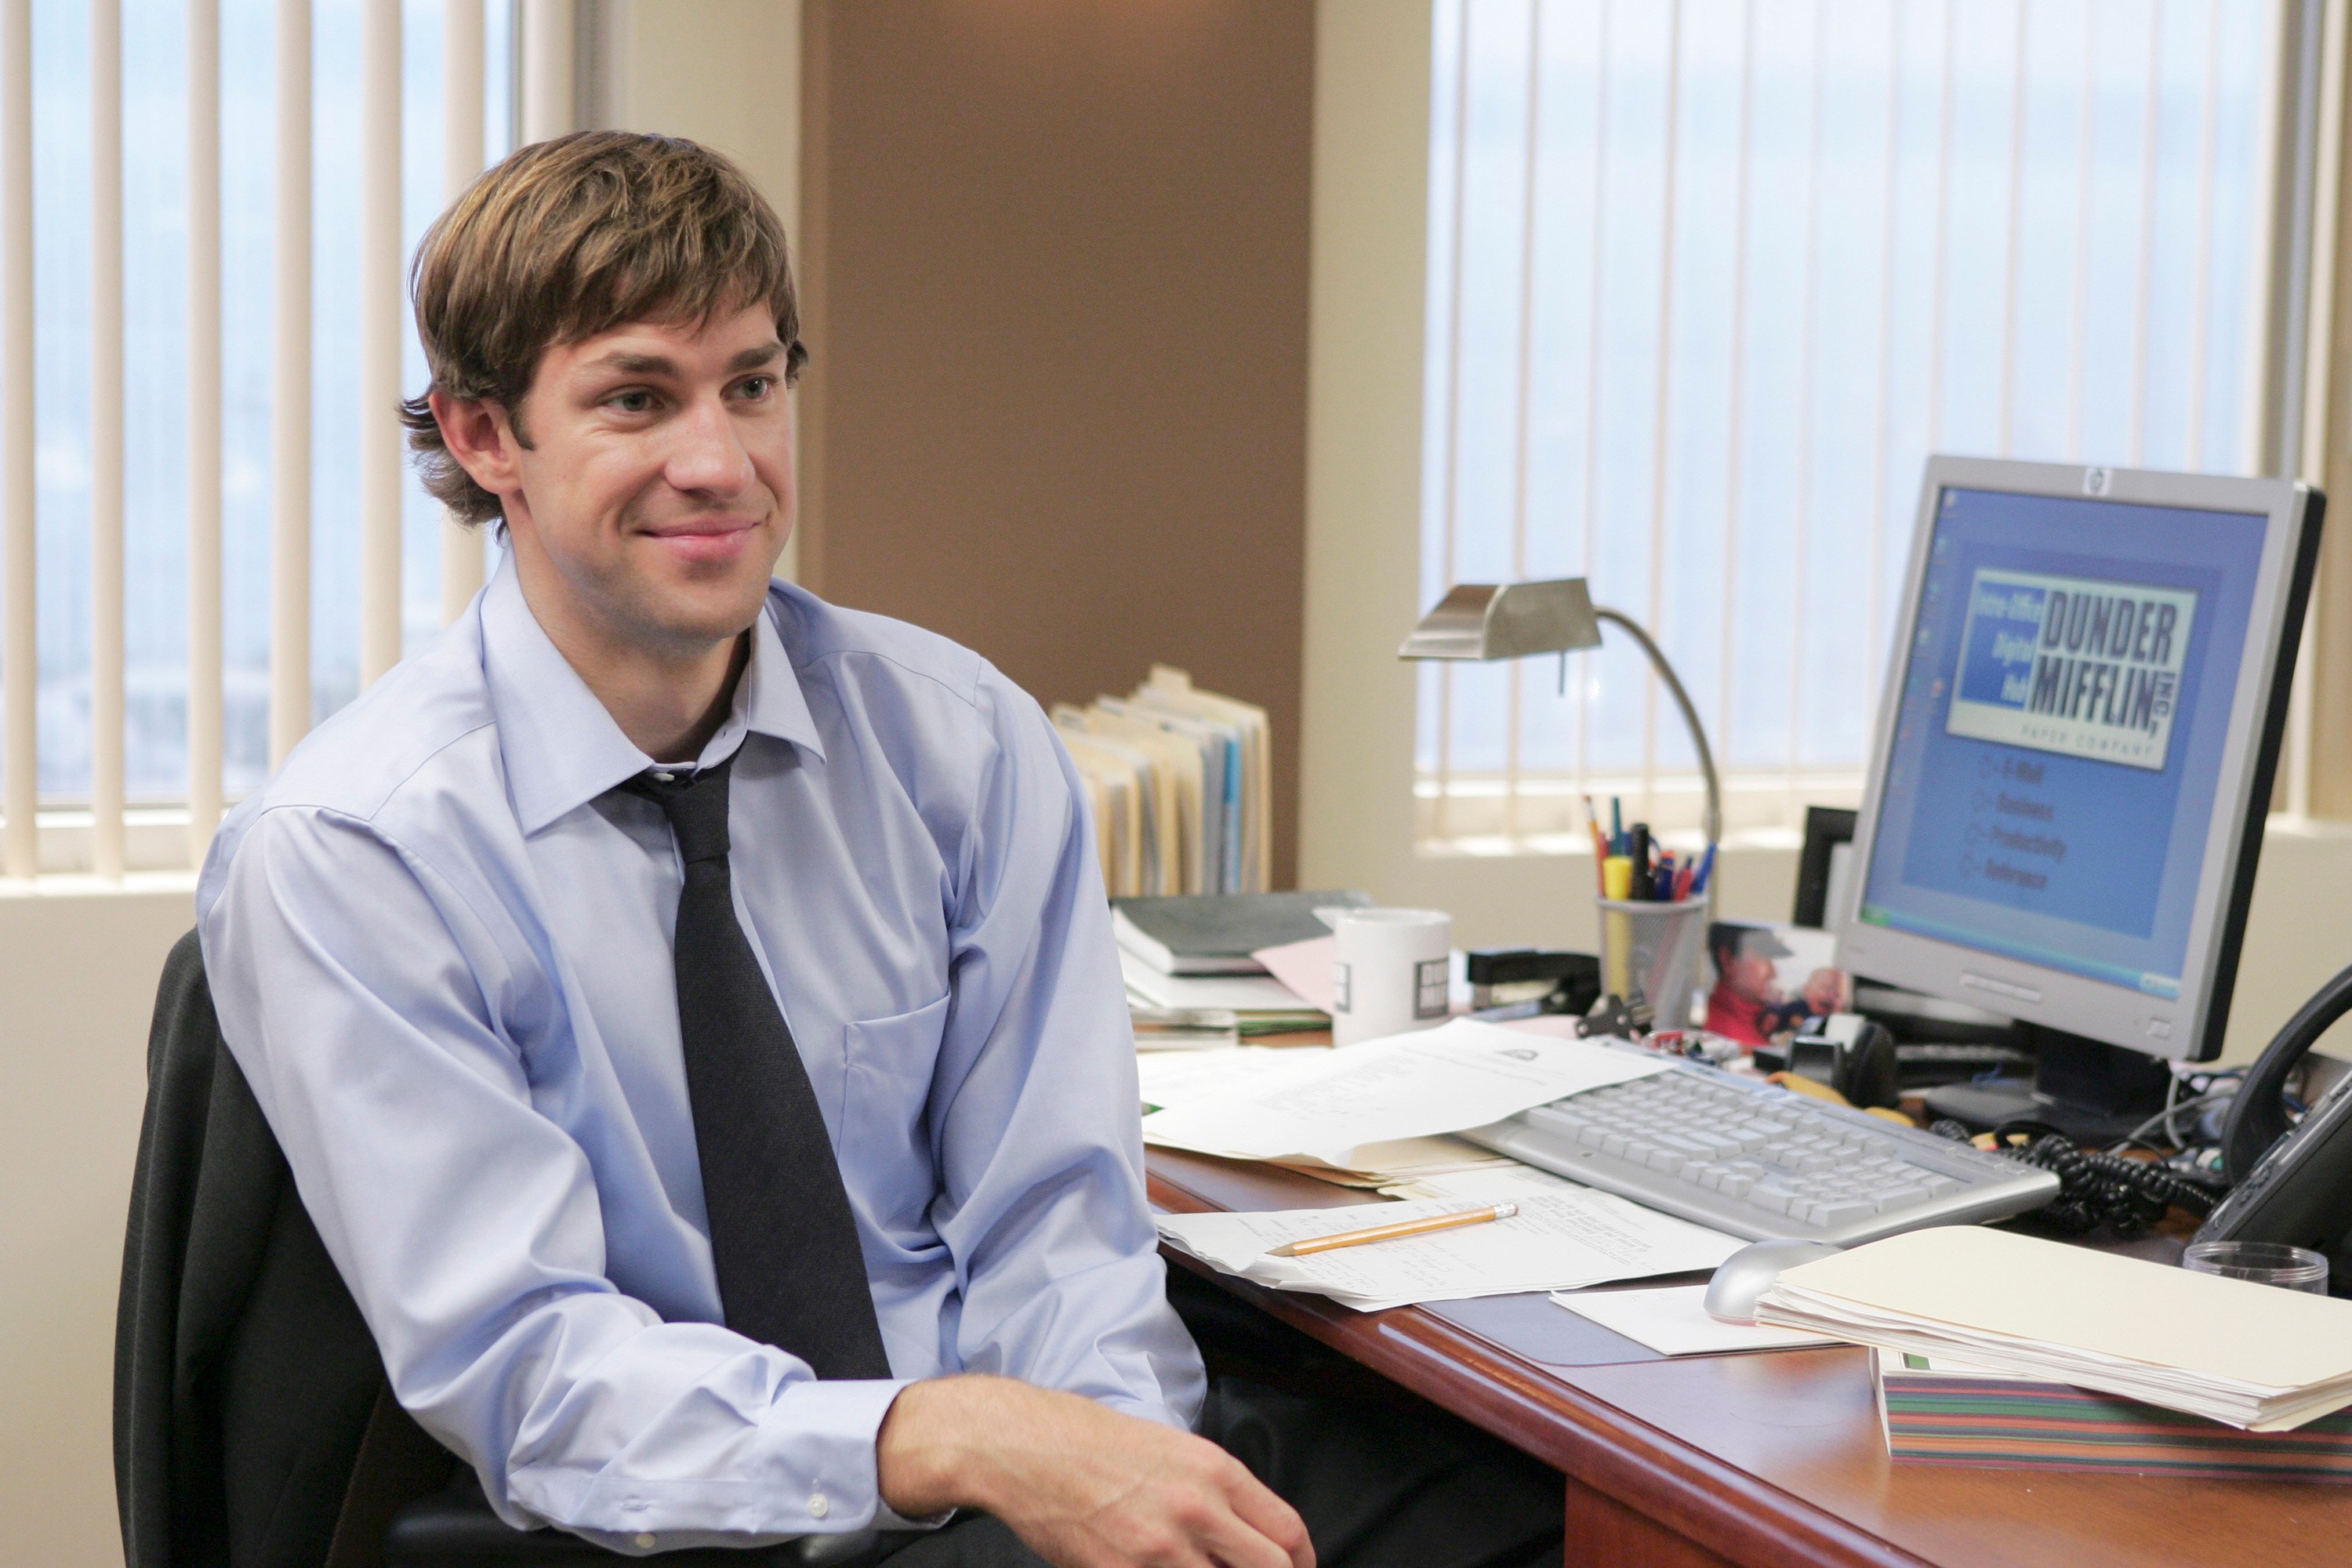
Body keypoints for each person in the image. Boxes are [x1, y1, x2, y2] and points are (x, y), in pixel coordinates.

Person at [196, 132, 1559, 1568]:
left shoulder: (958, 744)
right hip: (676, 1520)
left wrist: (1118, 1479)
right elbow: (539, 1379)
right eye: (637, 399)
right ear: (485, 439)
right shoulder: (353, 853)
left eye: (753, 385)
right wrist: (951, 1436)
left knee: (1543, 1518)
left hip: (1008, 1489)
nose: (718, 462)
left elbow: (1057, 1228)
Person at [1702, 923, 1848, 1047]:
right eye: (1764, 957)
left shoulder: (1764, 1019)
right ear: (1728, 960)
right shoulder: (1733, 1041)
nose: (1774, 973)